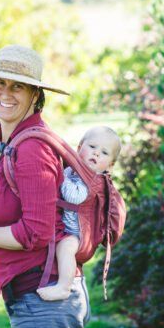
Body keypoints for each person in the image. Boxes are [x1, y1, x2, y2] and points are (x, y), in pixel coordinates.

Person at [0, 44, 91, 328]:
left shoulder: (33, 149)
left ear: (35, 96)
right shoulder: (1, 143)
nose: (6, 93)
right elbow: (17, 208)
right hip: (28, 296)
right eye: (0, 83)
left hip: (45, 298)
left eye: (19, 87)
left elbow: (35, 232)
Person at [36, 126, 122, 301]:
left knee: (65, 248)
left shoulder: (93, 179)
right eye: (92, 147)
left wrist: (60, 175)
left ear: (111, 164)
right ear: (79, 148)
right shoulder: (77, 171)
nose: (96, 154)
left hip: (78, 233)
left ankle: (64, 287)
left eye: (104, 152)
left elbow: (74, 196)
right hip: (69, 226)